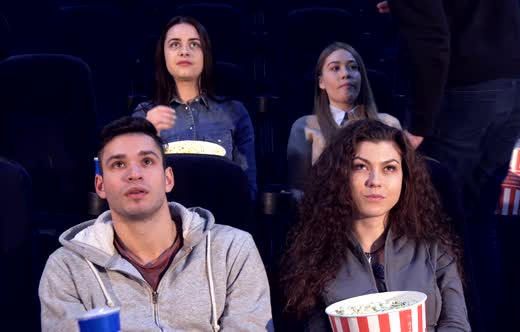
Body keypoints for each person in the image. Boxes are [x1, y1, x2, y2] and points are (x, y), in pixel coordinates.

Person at [38, 117, 273, 331]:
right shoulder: (66, 268)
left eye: (147, 161)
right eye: (118, 164)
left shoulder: (233, 250)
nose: (134, 174)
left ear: (168, 179)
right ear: (100, 186)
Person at [281, 119, 470, 331]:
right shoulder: (313, 254)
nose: (375, 181)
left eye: (389, 168)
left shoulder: (434, 247)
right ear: (340, 175)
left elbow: (456, 324)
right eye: (361, 166)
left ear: (405, 177)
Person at [377, 0, 520, 218]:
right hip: (519, 82)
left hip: (469, 91)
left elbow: (431, 43)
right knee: (479, 215)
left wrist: (419, 124)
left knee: (437, 214)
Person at [133, 16, 257, 198]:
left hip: (222, 217)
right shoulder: (144, 115)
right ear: (163, 55)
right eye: (175, 44)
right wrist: (148, 135)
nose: (184, 52)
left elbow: (248, 189)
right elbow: (135, 187)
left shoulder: (235, 113)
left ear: (206, 54)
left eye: (194, 45)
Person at [287, 42, 401, 193]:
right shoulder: (305, 126)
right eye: (335, 68)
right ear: (321, 82)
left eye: (353, 67)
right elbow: (298, 190)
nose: (346, 74)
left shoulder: (388, 123)